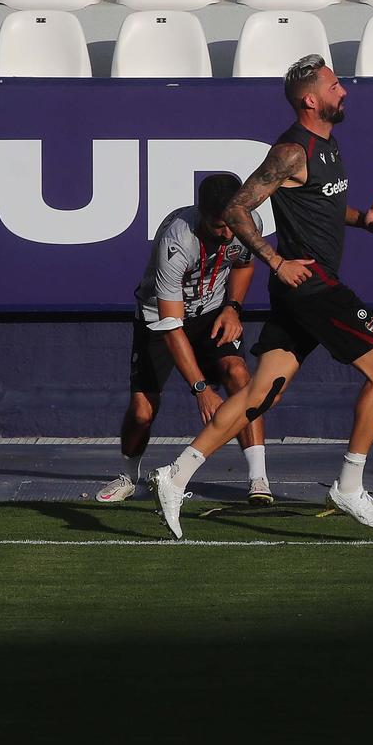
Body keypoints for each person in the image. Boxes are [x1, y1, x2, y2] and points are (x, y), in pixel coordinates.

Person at [152, 56, 373, 535]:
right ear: (311, 100)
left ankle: (175, 474)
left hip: (303, 287)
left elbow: (322, 203)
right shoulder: (291, 150)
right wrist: (275, 261)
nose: (343, 90)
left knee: (258, 394)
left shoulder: (327, 147)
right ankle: (349, 485)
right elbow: (238, 206)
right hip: (309, 283)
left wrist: (362, 221)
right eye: (334, 85)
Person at [98, 173, 272, 506]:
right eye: (217, 226)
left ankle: (258, 477)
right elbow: (172, 326)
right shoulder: (177, 240)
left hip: (212, 311)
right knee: (142, 412)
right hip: (160, 318)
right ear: (201, 214)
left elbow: (244, 265)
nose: (227, 234)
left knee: (238, 374)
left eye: (231, 225)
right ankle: (128, 476)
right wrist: (201, 389)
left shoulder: (246, 223)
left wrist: (233, 308)